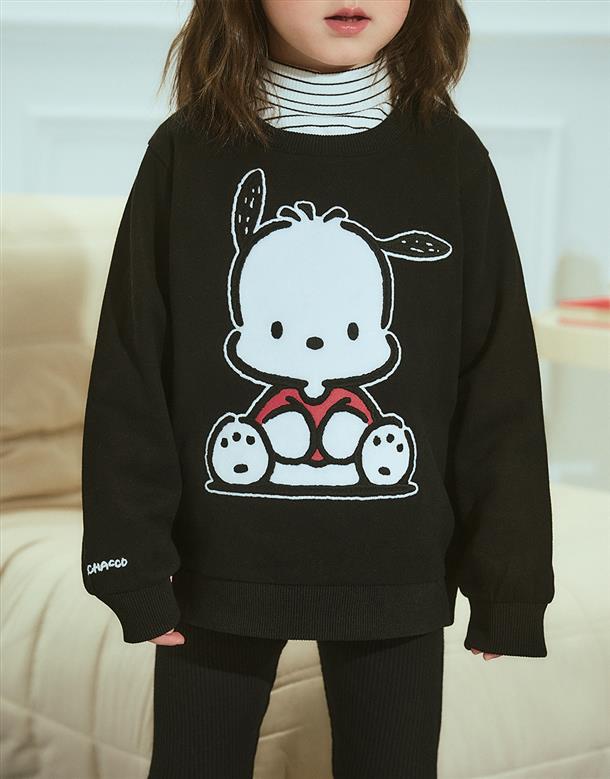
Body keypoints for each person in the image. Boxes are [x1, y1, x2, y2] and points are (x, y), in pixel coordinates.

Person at [80, 1, 556, 776]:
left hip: (398, 570)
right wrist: (128, 562)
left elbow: (497, 380)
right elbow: (132, 371)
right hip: (214, 570)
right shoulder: (185, 153)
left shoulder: (450, 158)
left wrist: (510, 583)